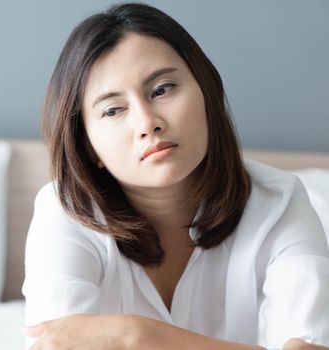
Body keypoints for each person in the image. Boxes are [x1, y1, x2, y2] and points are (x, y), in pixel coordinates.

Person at [22, 3, 329, 350]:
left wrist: (136, 336)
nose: (147, 122)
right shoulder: (65, 212)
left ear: (206, 91)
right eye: (112, 110)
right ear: (89, 147)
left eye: (162, 89)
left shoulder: (278, 201)